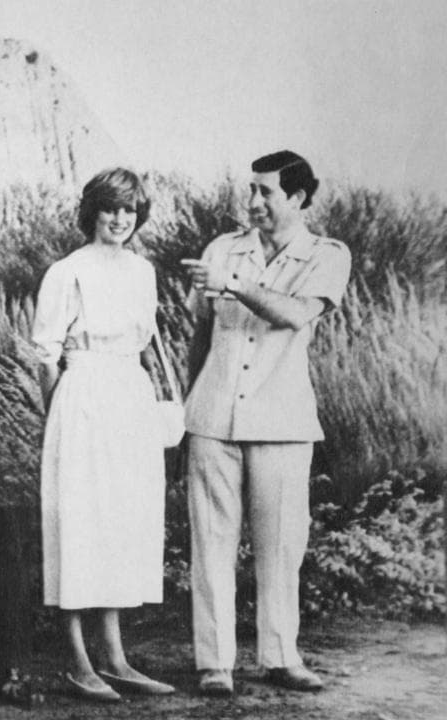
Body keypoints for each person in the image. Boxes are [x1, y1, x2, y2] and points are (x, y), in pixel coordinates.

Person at [181, 150, 351, 696]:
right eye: (250, 190)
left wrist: (233, 282)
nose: (252, 202)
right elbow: (200, 334)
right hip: (214, 416)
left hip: (283, 421)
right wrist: (189, 408)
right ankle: (215, 663)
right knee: (211, 542)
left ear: (299, 198)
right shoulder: (223, 248)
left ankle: (281, 656)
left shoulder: (326, 255)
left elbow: (295, 313)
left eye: (266, 192)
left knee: (281, 545)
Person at [29, 167, 176, 703]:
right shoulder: (67, 271)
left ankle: (115, 658)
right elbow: (46, 355)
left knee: (119, 523)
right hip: (83, 398)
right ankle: (77, 660)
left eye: (130, 211)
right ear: (92, 212)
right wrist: (59, 414)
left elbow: (146, 347)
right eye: (111, 209)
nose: (120, 219)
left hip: (129, 399)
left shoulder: (142, 271)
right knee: (80, 523)